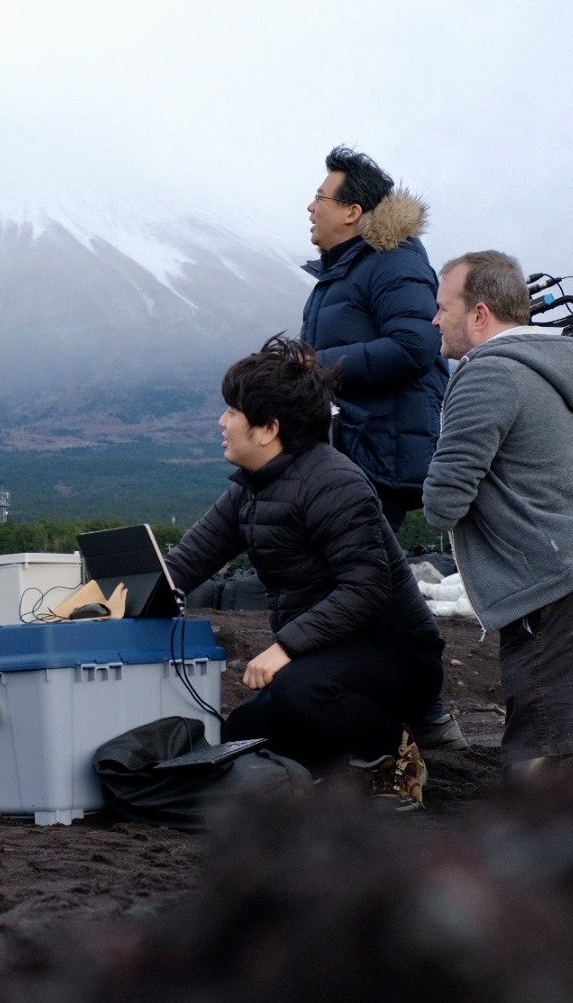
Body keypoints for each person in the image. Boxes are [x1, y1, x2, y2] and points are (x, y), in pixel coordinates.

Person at [165, 336, 445, 808]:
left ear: (268, 429)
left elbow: (366, 587)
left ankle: (392, 753)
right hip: (323, 658)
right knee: (242, 732)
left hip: (396, 657)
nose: (222, 422)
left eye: (232, 411)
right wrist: (107, 602)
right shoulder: (250, 489)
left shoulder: (334, 482)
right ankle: (332, 768)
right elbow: (186, 562)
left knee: (299, 693)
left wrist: (285, 647)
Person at [421, 251, 573, 768]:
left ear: (480, 314)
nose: (434, 320)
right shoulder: (549, 365)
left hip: (556, 586)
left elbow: (443, 503)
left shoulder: (487, 375)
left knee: (553, 762)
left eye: (443, 308)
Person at [299, 145, 465, 751]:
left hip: (380, 451)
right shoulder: (341, 273)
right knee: (368, 584)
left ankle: (412, 719)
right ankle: (421, 718)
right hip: (350, 448)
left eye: (321, 196)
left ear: (353, 211)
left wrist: (316, 366)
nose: (310, 206)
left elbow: (417, 347)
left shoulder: (394, 264)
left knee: (360, 586)